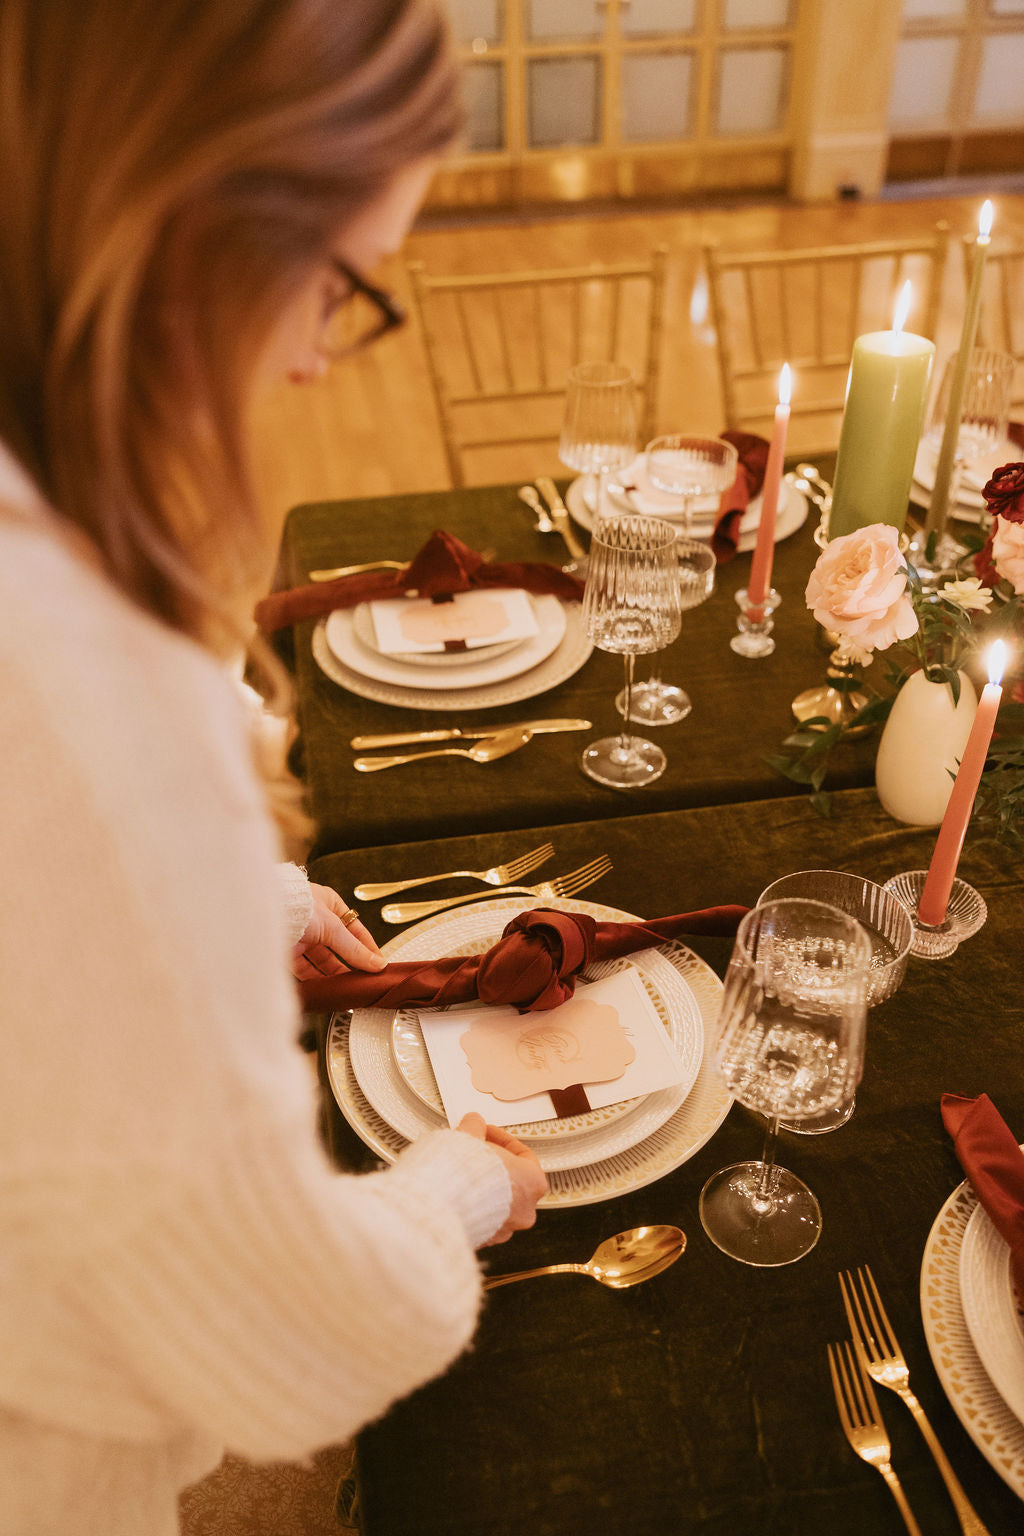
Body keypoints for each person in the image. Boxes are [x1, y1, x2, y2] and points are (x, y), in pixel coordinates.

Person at [0, 4, 547, 1533]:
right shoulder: (82, 671)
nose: (314, 359)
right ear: (204, 218)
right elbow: (280, 1331)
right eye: (340, 282)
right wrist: (465, 1186)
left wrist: (241, 908)